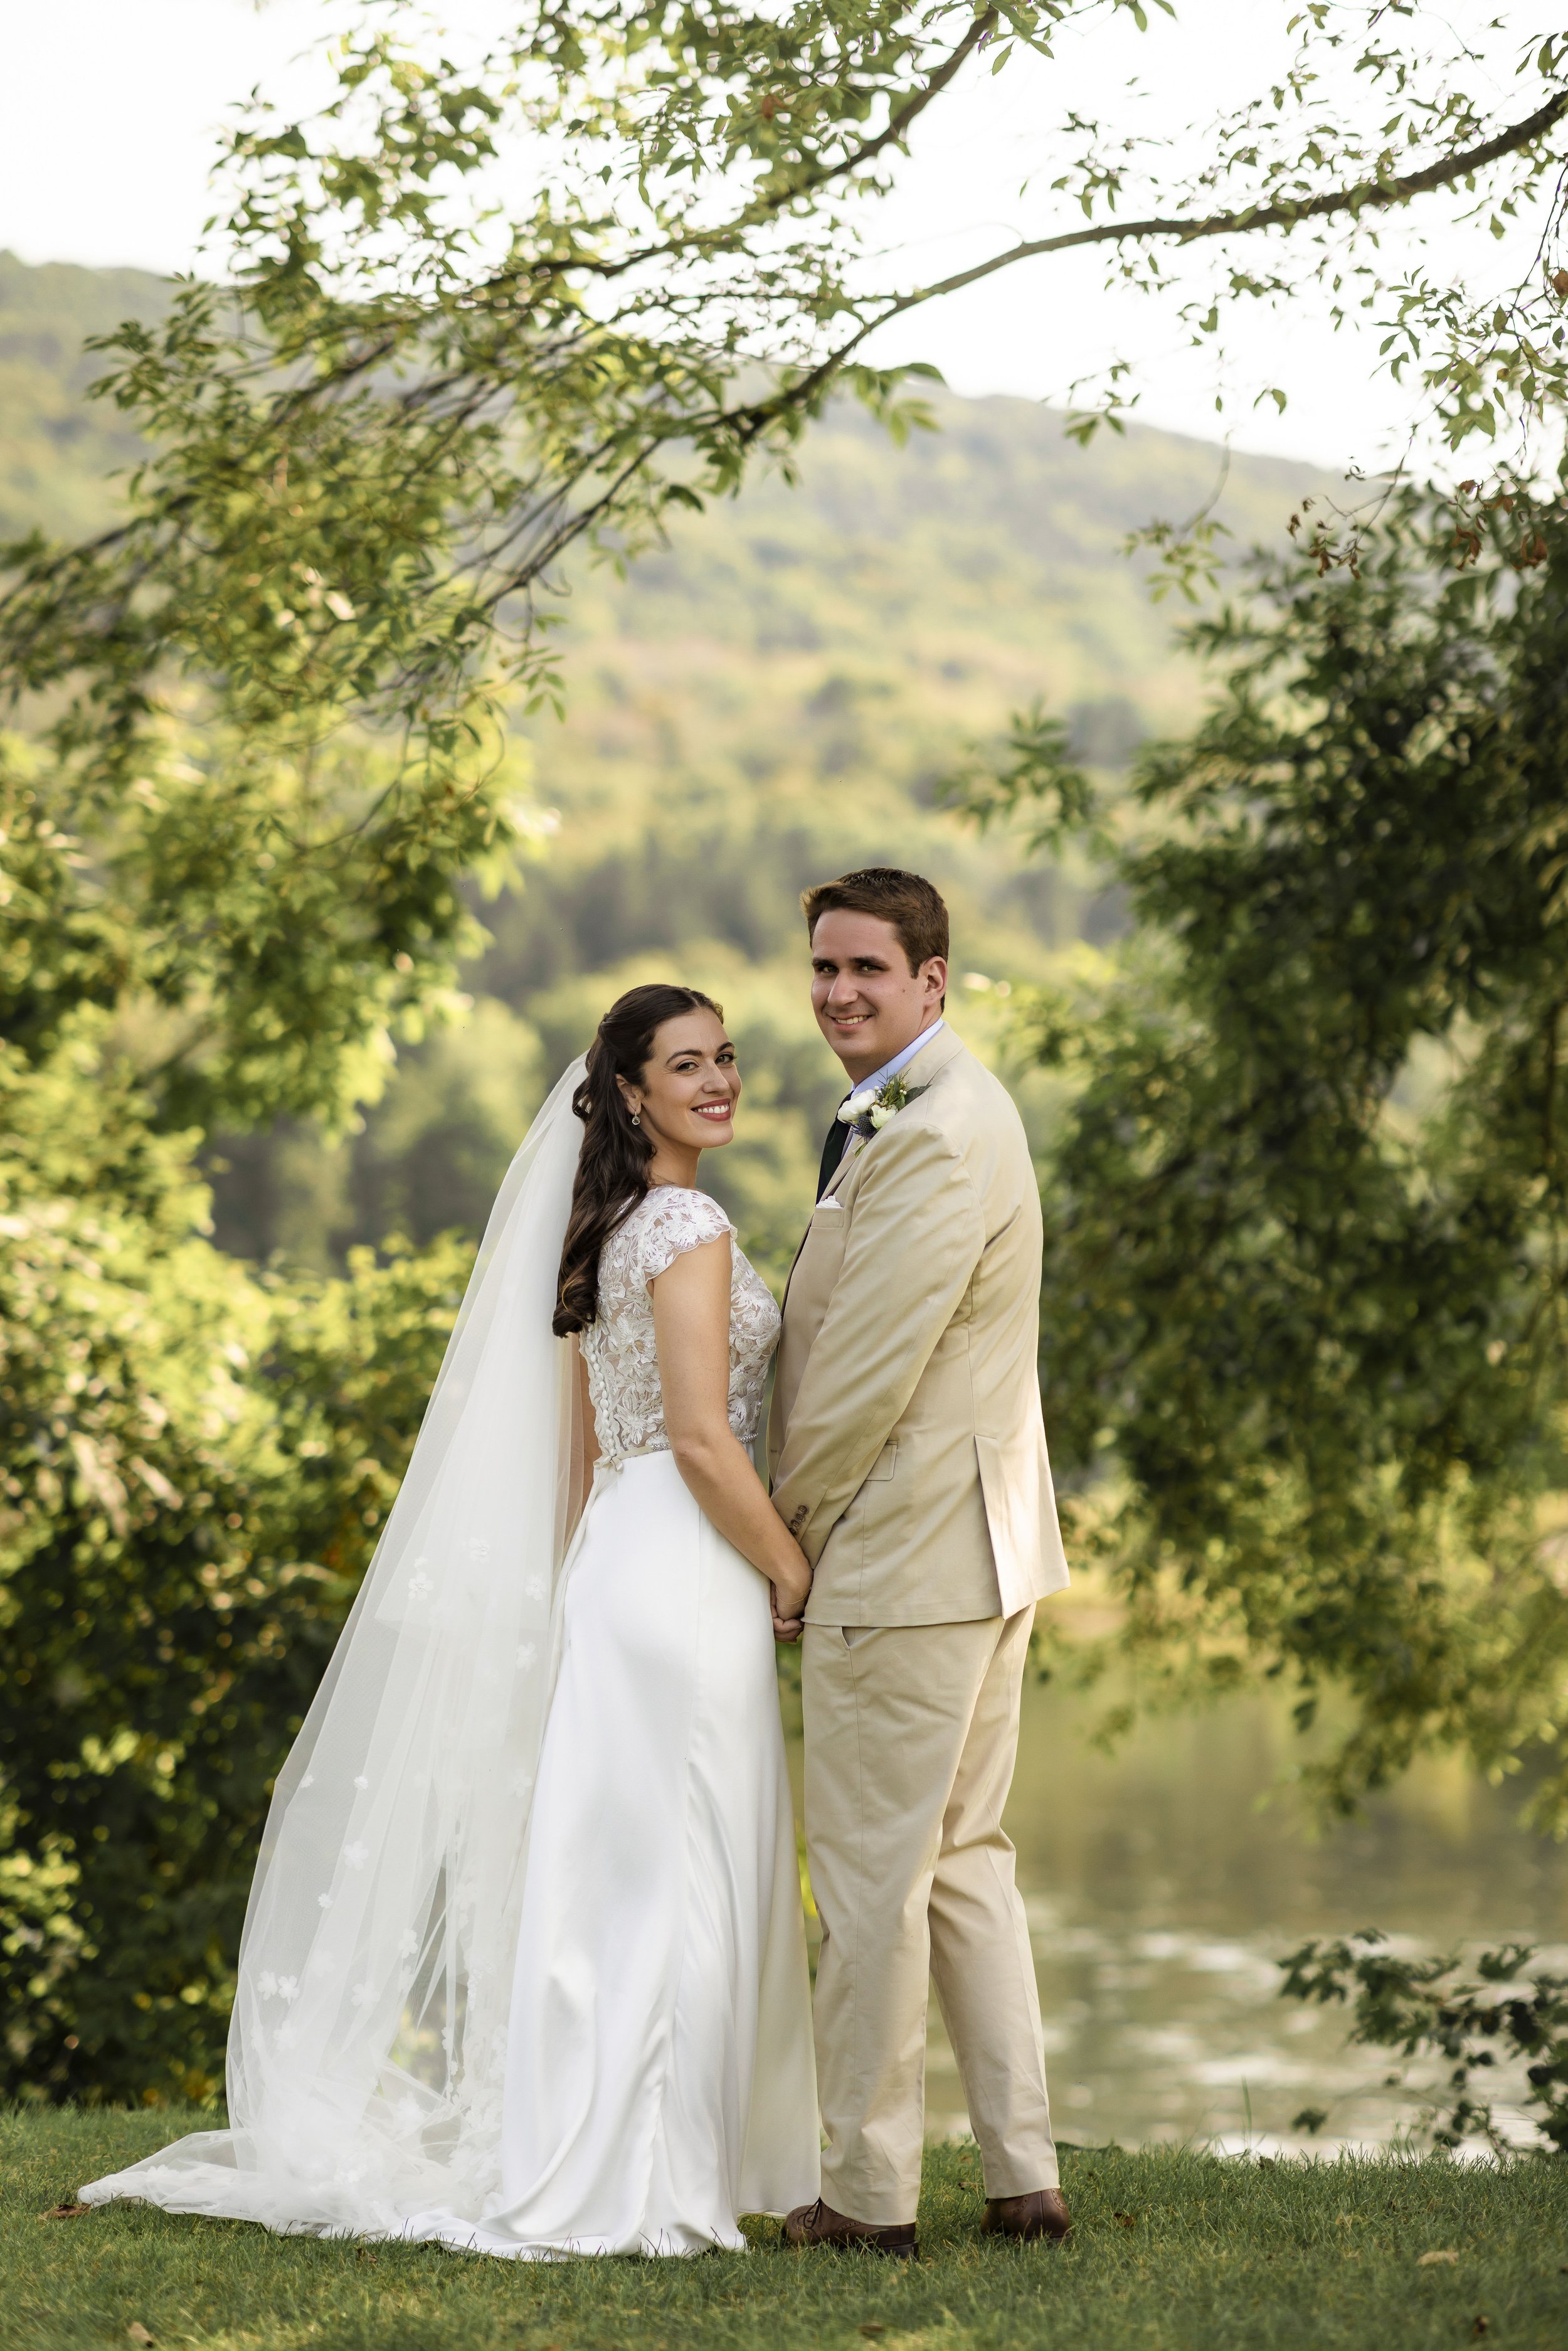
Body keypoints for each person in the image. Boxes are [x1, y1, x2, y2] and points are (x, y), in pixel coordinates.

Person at [79, 984, 820, 2257]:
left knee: (616, 1868)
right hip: (687, 1562)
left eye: (728, 1057)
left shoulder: (610, 1228)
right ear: (631, 1090)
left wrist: (584, 1579)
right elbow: (700, 1434)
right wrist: (787, 1566)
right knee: (682, 1860)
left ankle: (604, 2152)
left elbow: (588, 1452)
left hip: (617, 1561)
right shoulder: (686, 1221)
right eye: (685, 1063)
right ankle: (649, 2180)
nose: (719, 1080)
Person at [770, 868, 1073, 2258]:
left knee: (880, 1878)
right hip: (981, 1545)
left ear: (930, 980)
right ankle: (1021, 2176)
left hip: (905, 1558)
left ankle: (866, 2195)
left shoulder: (939, 1129)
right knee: (959, 1862)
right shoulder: (907, 1111)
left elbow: (858, 1379)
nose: (837, 991)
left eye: (867, 970)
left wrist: (785, 1536)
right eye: (823, 966)